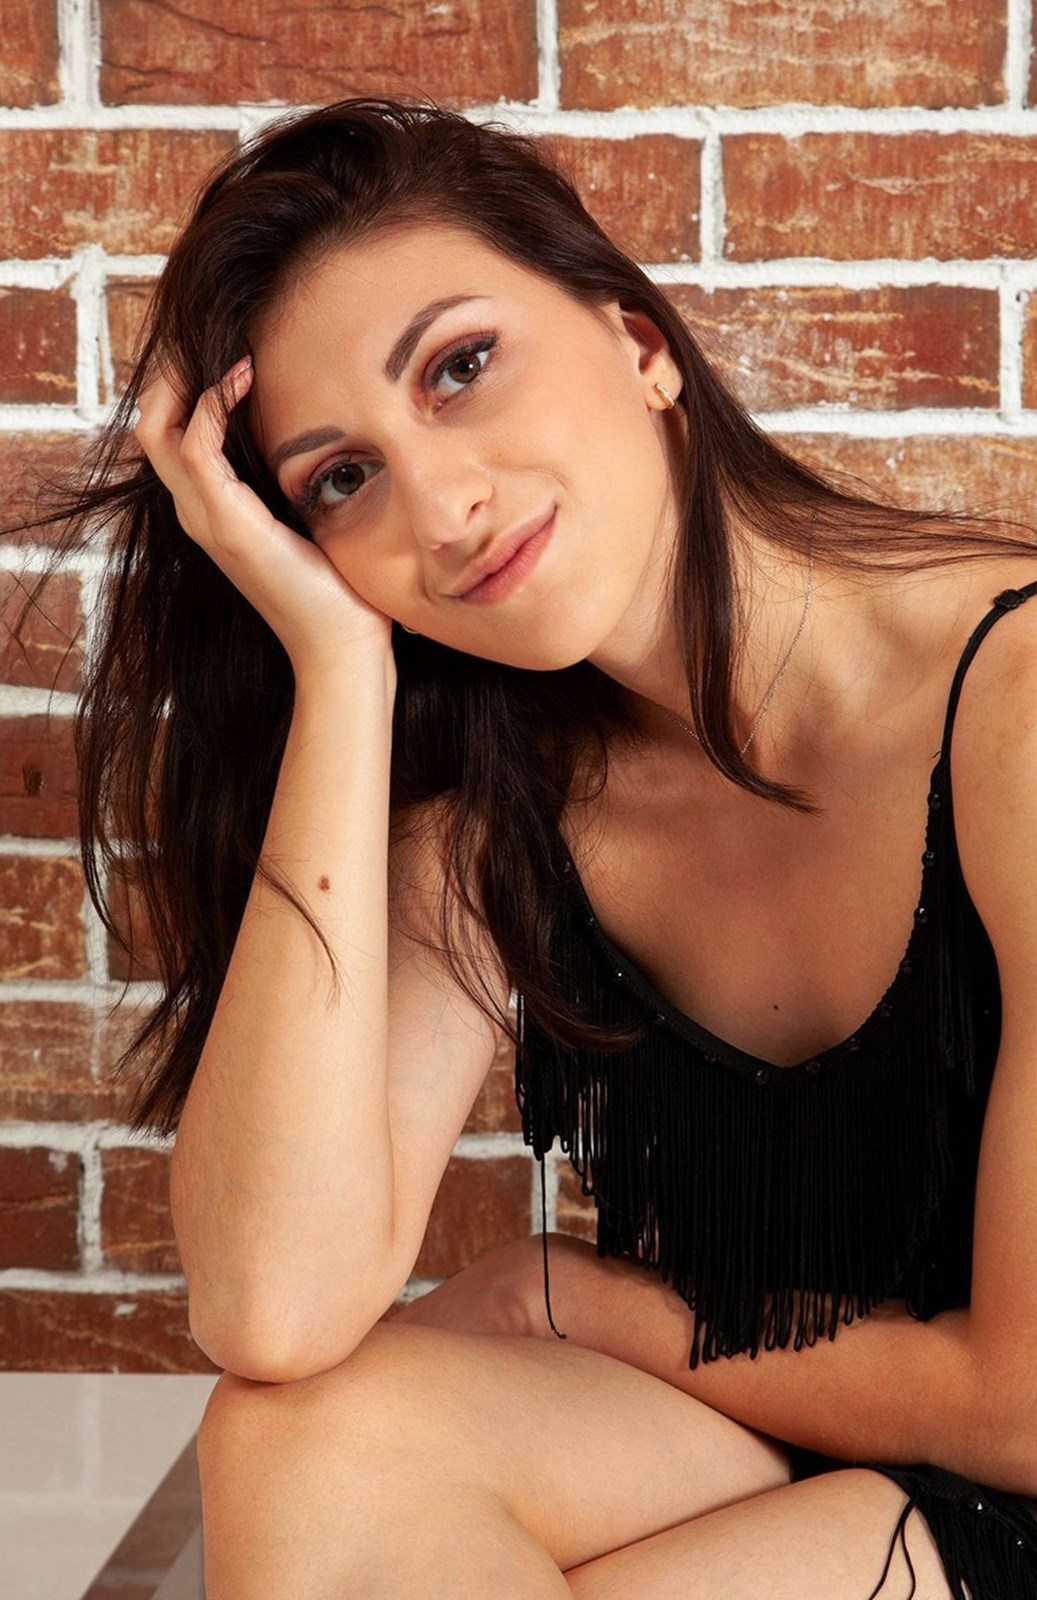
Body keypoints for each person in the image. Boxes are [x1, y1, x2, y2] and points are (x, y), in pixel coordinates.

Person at [19, 95, 1037, 1596]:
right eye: (339, 480)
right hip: (786, 1441)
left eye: (461, 367)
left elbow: (1018, 1408)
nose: (441, 502)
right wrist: (340, 673)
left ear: (638, 340)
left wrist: (577, 1301)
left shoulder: (1011, 708)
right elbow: (270, 1307)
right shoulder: (511, 815)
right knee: (301, 1443)